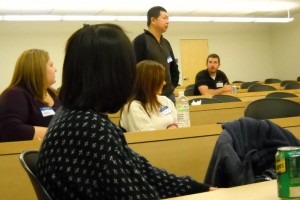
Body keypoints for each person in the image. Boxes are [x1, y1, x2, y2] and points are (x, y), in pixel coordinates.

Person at [37, 24, 216, 200]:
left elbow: (144, 171)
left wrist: (198, 187)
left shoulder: (75, 117)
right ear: (112, 74)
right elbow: (141, 194)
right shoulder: (91, 130)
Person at [0, 49, 60, 142]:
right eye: (51, 65)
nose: (55, 69)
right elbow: (10, 130)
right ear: (38, 68)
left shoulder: (55, 94)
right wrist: (59, 133)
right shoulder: (15, 94)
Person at [133, 6, 179, 104]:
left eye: (168, 18)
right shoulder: (141, 41)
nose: (167, 21)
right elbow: (134, 69)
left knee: (172, 120)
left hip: (169, 96)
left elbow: (174, 68)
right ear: (153, 20)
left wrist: (171, 87)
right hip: (149, 96)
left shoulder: (166, 43)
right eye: (164, 18)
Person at [120, 60, 178, 132]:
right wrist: (169, 131)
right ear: (150, 83)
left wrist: (173, 126)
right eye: (161, 80)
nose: (164, 83)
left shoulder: (165, 100)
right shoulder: (133, 107)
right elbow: (149, 136)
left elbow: (179, 122)